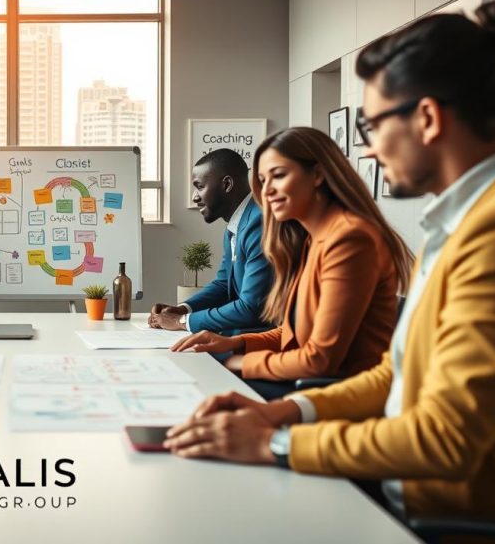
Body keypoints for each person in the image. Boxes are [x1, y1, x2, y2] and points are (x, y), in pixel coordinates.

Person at [164, 0, 495, 523]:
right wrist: (278, 412)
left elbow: (447, 438)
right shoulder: (456, 225)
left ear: (426, 118)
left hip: (437, 515)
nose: (369, 152)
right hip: (397, 480)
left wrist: (275, 442)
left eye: (372, 127)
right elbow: (392, 377)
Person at [171, 127, 413, 399]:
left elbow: (318, 360)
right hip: (309, 381)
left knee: (199, 388)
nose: (266, 191)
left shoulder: (350, 240)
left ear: (318, 175)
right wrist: (235, 343)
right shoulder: (314, 239)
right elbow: (293, 332)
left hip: (334, 394)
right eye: (262, 180)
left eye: (279, 176)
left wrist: (238, 361)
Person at [149, 148, 272, 335]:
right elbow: (223, 285)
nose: (194, 197)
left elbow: (250, 308)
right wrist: (183, 309)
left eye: (199, 186)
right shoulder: (237, 224)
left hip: (263, 342)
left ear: (227, 184)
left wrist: (183, 321)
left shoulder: (259, 223)